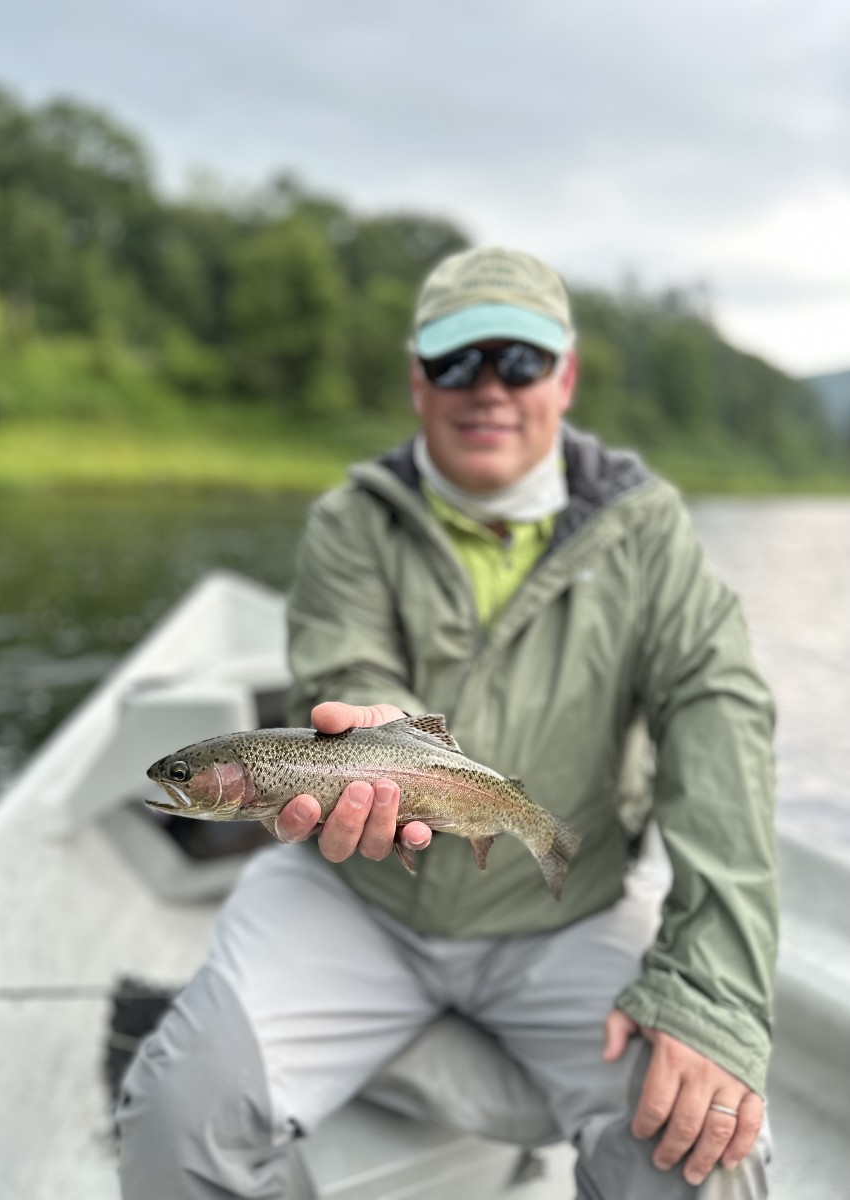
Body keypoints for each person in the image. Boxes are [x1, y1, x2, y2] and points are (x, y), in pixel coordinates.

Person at [117, 246, 778, 1198]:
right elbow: (347, 664)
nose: (489, 390)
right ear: (417, 380)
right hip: (354, 899)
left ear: (567, 377)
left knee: (705, 1149)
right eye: (458, 362)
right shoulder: (352, 520)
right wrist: (370, 722)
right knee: (177, 1117)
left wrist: (712, 993)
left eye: (520, 361)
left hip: (570, 911)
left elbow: (725, 735)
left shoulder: (654, 538)